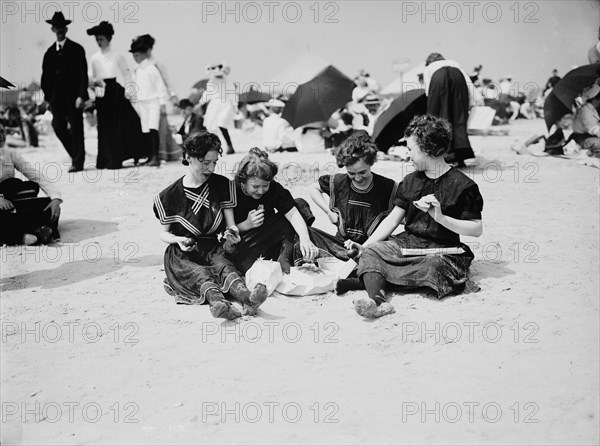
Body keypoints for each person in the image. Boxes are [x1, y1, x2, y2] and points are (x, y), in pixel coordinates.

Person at [344, 115, 484, 319]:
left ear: (428, 148)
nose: (407, 155)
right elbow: (393, 219)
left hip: (442, 249)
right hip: (408, 243)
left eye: (410, 149)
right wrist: (365, 246)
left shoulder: (463, 185)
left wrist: (441, 218)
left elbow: (476, 229)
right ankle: (378, 301)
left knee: (433, 266)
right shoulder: (410, 181)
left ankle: (377, 278)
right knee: (372, 252)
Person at [153, 131, 267, 320]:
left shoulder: (222, 186)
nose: (210, 168)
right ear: (188, 157)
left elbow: (230, 226)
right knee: (199, 273)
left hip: (213, 247)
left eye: (214, 162)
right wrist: (179, 240)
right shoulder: (169, 196)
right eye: (205, 163)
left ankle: (248, 300)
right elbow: (163, 235)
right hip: (182, 254)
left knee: (224, 266)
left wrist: (231, 234)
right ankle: (219, 304)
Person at [306, 133, 398, 275]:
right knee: (307, 234)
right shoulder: (338, 181)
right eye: (351, 173)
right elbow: (312, 188)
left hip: (372, 248)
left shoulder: (388, 187)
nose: (358, 178)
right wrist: (328, 212)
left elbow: (400, 215)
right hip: (341, 246)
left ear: (371, 163)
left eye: (362, 172)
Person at [226, 148, 318, 274]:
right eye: (255, 186)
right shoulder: (231, 192)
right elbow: (223, 233)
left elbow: (292, 213)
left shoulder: (274, 189)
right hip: (246, 248)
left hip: (270, 239)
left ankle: (284, 258)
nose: (261, 191)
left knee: (300, 205)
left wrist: (305, 237)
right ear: (243, 180)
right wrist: (246, 225)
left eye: (265, 186)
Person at [87, 21, 145, 169]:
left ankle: (116, 159)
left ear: (108, 39)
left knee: (118, 126)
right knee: (104, 127)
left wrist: (129, 93)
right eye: (97, 39)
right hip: (101, 93)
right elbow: (91, 77)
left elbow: (127, 75)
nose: (99, 42)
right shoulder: (94, 57)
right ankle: (104, 160)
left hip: (115, 92)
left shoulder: (117, 56)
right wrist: (94, 86)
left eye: (101, 39)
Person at [0, 120, 62, 245]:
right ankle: (25, 235)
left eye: (2, 131)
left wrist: (55, 198)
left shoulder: (10, 154)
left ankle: (30, 232)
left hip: (11, 204)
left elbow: (36, 176)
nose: (1, 136)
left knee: (49, 207)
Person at [41, 11, 88, 172]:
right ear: (52, 29)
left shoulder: (77, 49)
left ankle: (78, 162)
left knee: (76, 128)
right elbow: (45, 78)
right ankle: (76, 155)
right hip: (56, 99)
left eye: (62, 27)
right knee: (58, 125)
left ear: (66, 29)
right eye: (57, 27)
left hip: (74, 97)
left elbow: (83, 74)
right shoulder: (49, 53)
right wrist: (48, 99)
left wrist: (81, 95)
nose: (60, 30)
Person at [423, 52, 475, 167]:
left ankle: (445, 155)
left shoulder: (429, 68)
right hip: (458, 79)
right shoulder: (454, 63)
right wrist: (471, 101)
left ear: (429, 62)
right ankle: (460, 155)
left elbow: (428, 90)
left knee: (439, 119)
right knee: (459, 119)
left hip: (438, 79)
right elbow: (468, 82)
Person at [136, 34, 181, 162]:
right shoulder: (141, 67)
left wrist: (172, 95)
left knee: (160, 127)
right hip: (146, 100)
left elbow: (166, 81)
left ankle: (163, 154)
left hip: (160, 99)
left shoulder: (156, 64)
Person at [129, 36, 168, 167]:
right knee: (145, 129)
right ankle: (149, 156)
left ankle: (156, 157)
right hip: (142, 103)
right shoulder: (137, 70)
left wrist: (162, 103)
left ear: (144, 54)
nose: (136, 58)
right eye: (134, 55)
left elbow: (160, 86)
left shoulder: (151, 68)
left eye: (138, 55)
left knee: (153, 128)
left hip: (153, 102)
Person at [572, 87, 600, 154]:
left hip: (588, 137)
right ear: (594, 100)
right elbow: (593, 129)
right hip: (582, 139)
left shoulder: (591, 109)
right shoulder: (586, 111)